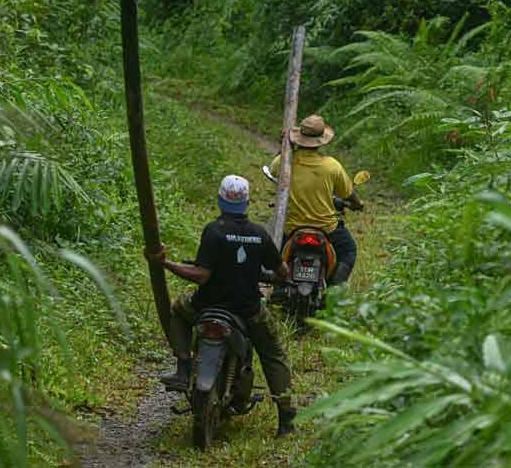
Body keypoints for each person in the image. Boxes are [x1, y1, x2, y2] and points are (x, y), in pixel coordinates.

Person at [146, 174, 298, 437]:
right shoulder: (259, 234)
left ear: (220, 200)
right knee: (273, 355)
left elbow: (202, 275)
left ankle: (183, 366)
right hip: (247, 311)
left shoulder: (213, 231)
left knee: (179, 311)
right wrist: (267, 275)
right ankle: (286, 420)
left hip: (207, 306)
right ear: (247, 203)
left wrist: (166, 264)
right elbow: (282, 272)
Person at [270, 114, 363, 283]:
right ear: (321, 140)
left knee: (272, 250)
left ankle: (277, 282)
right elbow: (348, 194)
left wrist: (285, 147)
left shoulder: (285, 161)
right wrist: (357, 204)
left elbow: (274, 169)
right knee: (348, 250)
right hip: (326, 227)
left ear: (299, 138)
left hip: (291, 227)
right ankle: (335, 289)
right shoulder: (332, 166)